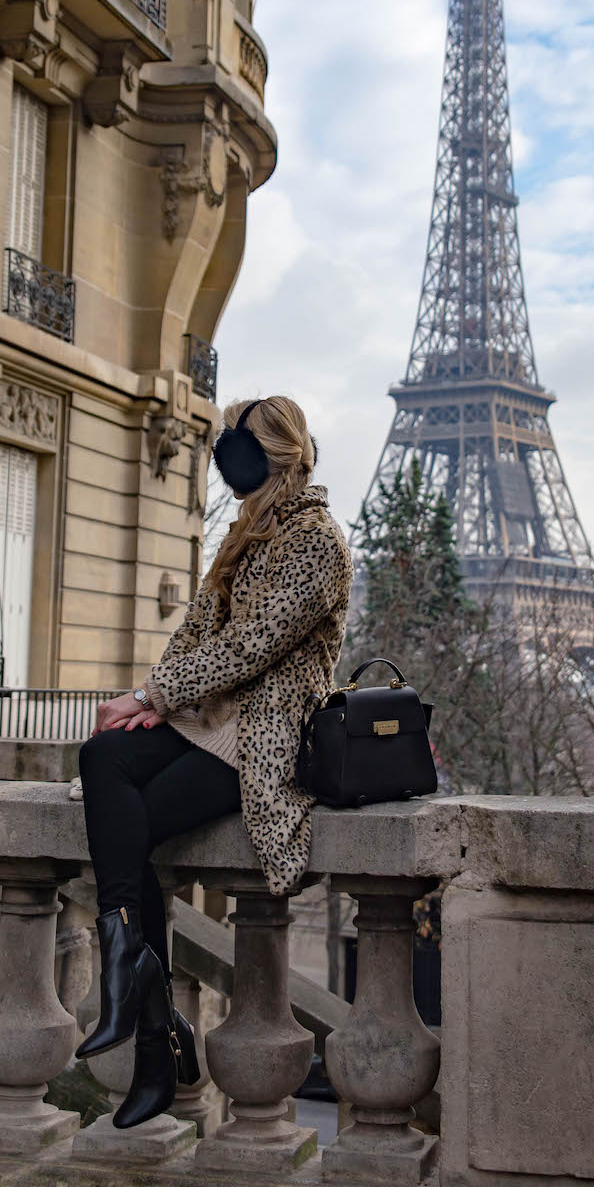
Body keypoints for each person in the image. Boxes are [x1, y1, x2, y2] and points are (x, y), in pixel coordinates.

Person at [75, 394, 352, 1128]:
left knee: (132, 832)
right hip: (207, 717)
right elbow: (199, 631)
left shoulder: (317, 541)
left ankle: (149, 1036)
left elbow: (252, 646)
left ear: (277, 452)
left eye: (237, 440)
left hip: (260, 736)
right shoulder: (243, 534)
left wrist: (153, 692)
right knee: (102, 756)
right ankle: (133, 981)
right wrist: (151, 704)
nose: (225, 452)